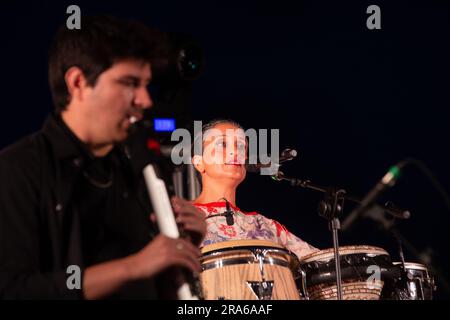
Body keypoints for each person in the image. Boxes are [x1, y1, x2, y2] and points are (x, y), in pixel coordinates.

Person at [0, 16, 206, 299]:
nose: (145, 100)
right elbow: (14, 289)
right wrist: (132, 267)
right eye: (130, 83)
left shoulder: (136, 170)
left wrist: (181, 252)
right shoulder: (18, 169)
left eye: (146, 84)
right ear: (78, 82)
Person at [191, 119, 318, 260]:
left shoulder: (265, 226)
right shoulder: (182, 218)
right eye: (223, 144)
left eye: (241, 146)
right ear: (199, 162)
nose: (235, 151)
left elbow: (322, 262)